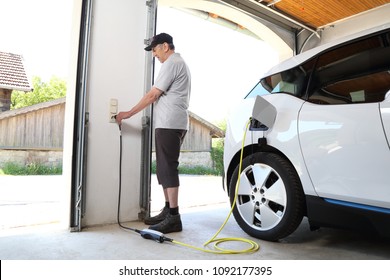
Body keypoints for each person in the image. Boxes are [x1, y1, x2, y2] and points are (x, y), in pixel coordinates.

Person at [115, 33, 191, 234]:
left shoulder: (172, 63)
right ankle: (168, 210)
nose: (154, 55)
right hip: (171, 122)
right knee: (164, 169)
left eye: (155, 50)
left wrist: (129, 113)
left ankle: (174, 217)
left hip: (170, 123)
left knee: (168, 168)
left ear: (165, 46)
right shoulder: (177, 63)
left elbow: (153, 94)